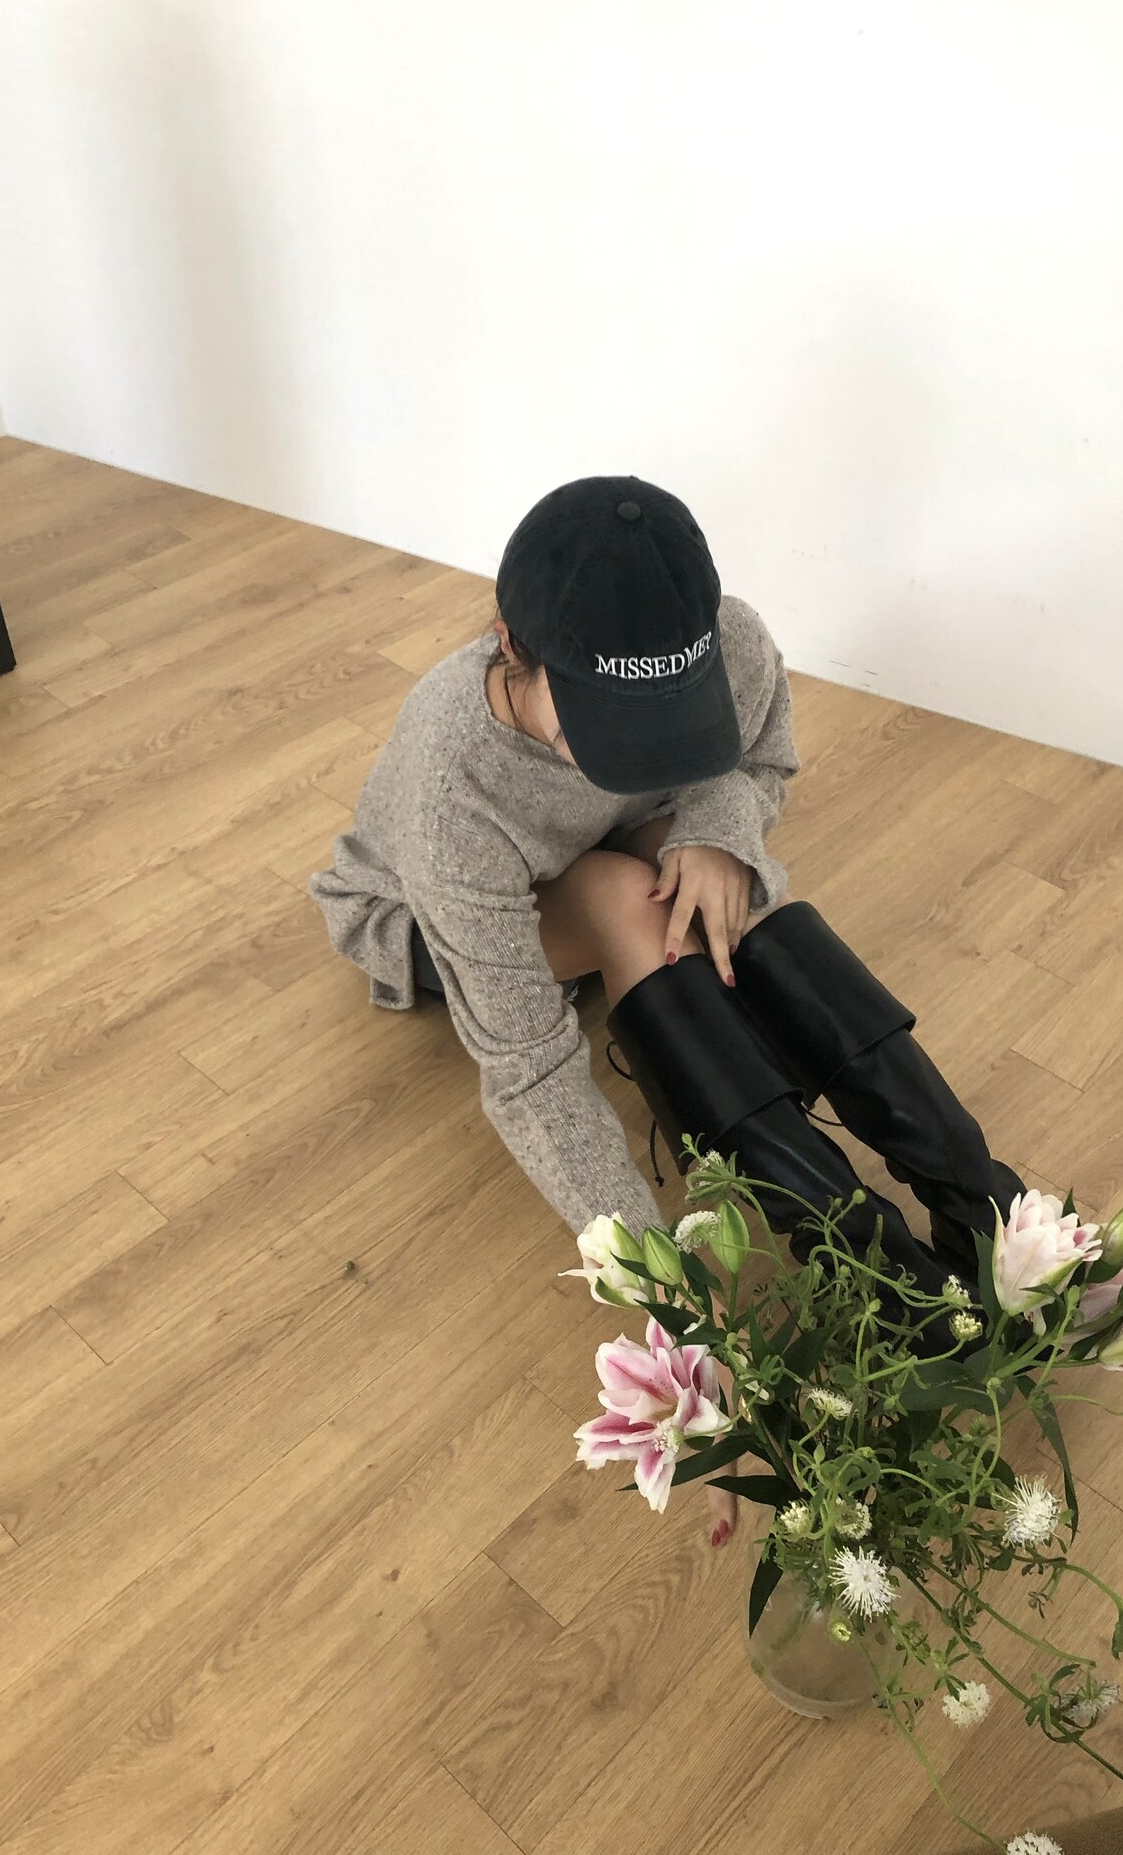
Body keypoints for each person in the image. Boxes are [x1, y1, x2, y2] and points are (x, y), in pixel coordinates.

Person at [308, 474, 1028, 1549]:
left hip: (605, 840)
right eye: (613, 722)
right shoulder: (451, 786)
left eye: (668, 719)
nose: (646, 746)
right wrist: (675, 1304)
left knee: (729, 888)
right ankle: (863, 1263)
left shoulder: (731, 639)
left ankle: (977, 1194)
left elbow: (758, 760)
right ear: (510, 647)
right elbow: (530, 1071)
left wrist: (717, 826)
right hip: (424, 916)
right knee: (622, 894)